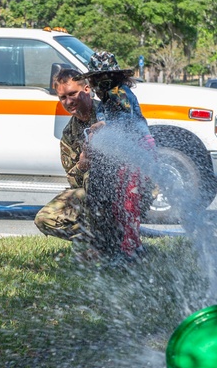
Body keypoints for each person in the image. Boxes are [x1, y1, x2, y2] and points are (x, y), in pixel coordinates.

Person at [77, 52, 155, 261]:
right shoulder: (103, 102)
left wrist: (104, 126)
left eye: (106, 77)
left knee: (130, 200)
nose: (101, 82)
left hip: (137, 150)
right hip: (123, 153)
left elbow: (126, 121)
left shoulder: (120, 92)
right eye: (97, 78)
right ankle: (126, 245)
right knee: (120, 200)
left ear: (116, 77)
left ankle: (131, 251)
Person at [34, 68, 99, 256]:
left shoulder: (108, 113)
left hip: (121, 190)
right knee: (44, 219)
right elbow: (73, 181)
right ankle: (93, 241)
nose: (68, 101)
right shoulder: (69, 134)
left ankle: (109, 240)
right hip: (90, 194)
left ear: (86, 89)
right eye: (62, 97)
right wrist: (82, 164)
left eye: (72, 94)